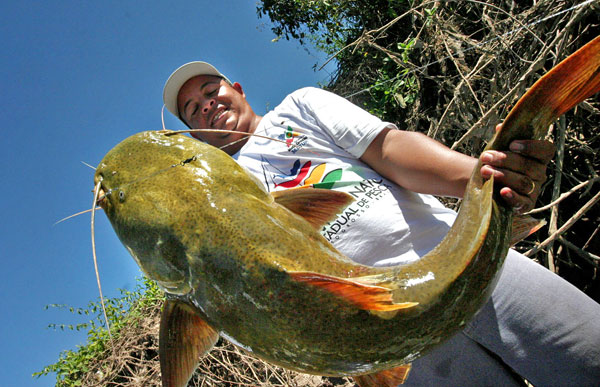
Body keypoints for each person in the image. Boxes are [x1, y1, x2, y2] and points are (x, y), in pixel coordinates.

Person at [162, 62, 600, 385]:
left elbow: (391, 151)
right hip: (390, 349)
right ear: (192, 134)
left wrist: (483, 176)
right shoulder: (217, 196)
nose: (206, 106)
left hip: (463, 262)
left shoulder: (300, 107)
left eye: (209, 89)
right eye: (192, 109)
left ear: (236, 88)